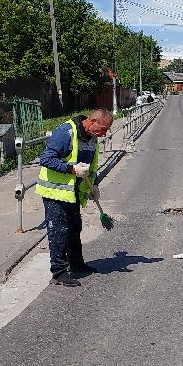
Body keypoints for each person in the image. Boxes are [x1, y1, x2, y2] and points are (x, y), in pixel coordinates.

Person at [35, 109, 113, 286]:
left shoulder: (92, 139)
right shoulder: (66, 133)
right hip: (55, 192)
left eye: (106, 130)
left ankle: (76, 264)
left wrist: (93, 185)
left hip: (73, 192)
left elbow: (91, 167)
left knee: (75, 228)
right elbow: (46, 159)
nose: (104, 134)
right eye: (102, 129)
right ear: (92, 121)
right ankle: (59, 272)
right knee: (58, 232)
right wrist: (72, 169)